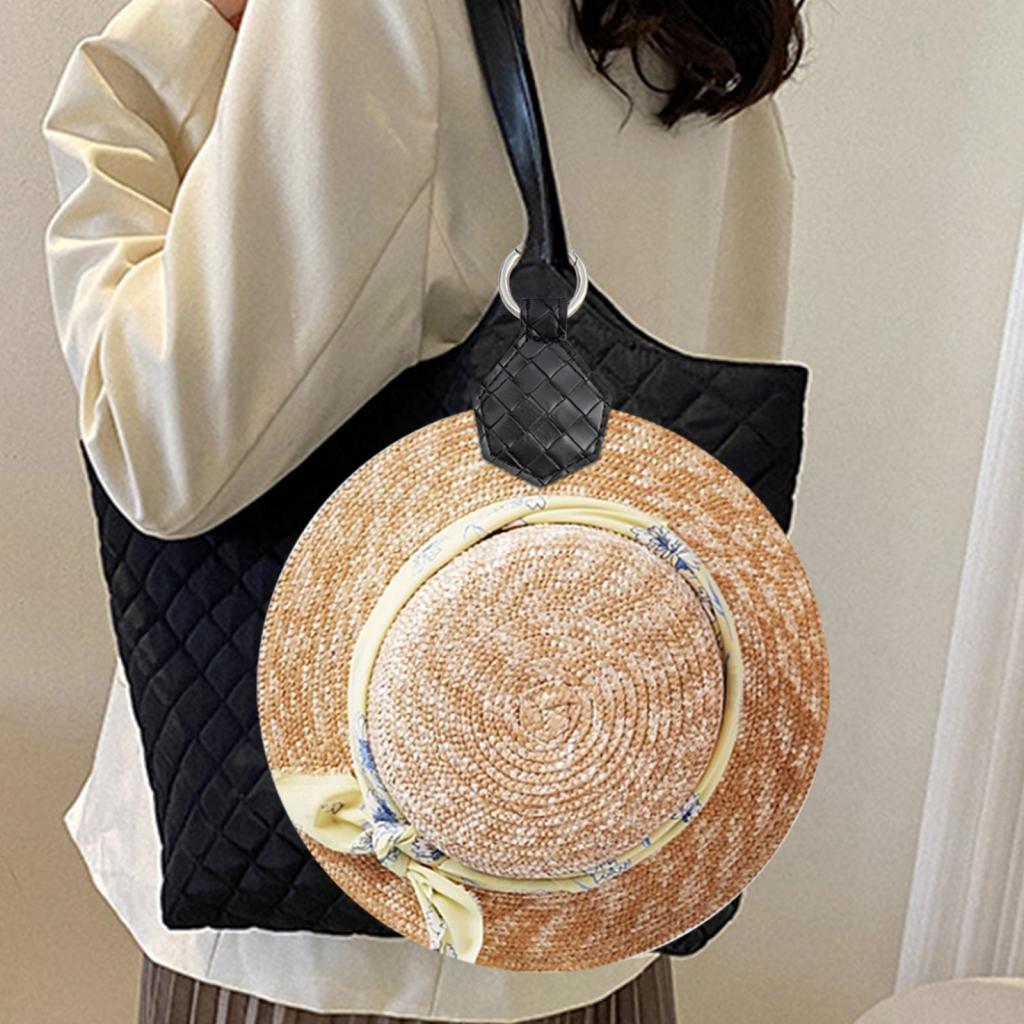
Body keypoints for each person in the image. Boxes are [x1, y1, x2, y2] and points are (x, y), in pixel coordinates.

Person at [39, 0, 804, 1020]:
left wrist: (159, 55)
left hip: (342, 952)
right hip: (588, 916)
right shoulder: (713, 24)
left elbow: (160, 449)